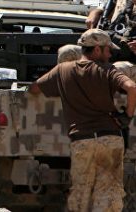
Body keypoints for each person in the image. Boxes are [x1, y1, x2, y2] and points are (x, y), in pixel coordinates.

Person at [30, 29, 136, 211]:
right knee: (108, 193)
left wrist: (61, 88)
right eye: (107, 50)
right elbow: (132, 87)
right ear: (97, 49)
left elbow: (34, 88)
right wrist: (127, 115)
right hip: (110, 138)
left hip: (82, 140)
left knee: (81, 194)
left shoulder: (63, 70)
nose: (110, 54)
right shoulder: (108, 70)